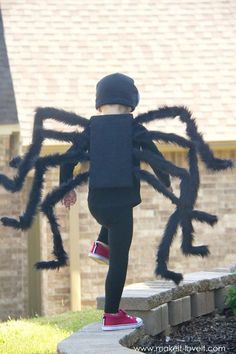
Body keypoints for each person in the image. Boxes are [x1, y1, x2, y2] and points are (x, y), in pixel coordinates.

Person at [60, 73, 172, 331]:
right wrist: (165, 180)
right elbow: (155, 157)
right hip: (121, 205)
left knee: (109, 221)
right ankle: (112, 315)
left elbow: (68, 160)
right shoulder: (134, 129)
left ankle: (101, 245)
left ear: (99, 105)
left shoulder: (91, 130)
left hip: (96, 204)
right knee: (119, 261)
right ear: (131, 104)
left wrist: (67, 188)